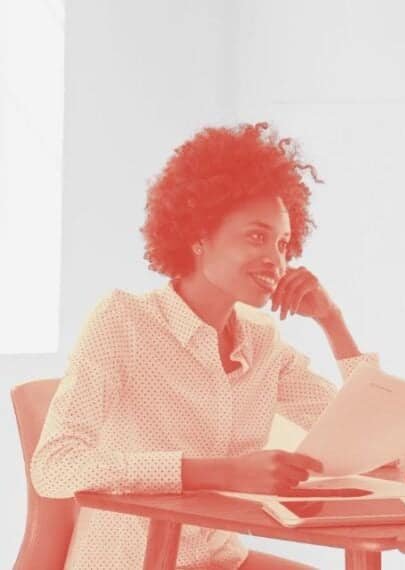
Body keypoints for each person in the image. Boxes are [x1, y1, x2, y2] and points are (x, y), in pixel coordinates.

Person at [30, 122, 377, 569]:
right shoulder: (125, 321)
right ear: (199, 236)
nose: (277, 258)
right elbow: (55, 466)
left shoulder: (261, 341)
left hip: (220, 560)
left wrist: (332, 320)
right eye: (256, 236)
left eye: (284, 243)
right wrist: (222, 472)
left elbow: (360, 438)